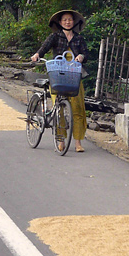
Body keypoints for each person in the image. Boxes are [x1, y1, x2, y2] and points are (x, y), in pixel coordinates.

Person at [30, 9, 90, 153]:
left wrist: (81, 57)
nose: (67, 22)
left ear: (74, 22)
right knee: (59, 109)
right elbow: (44, 48)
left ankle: (78, 142)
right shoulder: (55, 36)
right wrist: (37, 54)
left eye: (70, 19)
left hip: (75, 75)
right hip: (58, 74)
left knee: (78, 108)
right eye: (65, 20)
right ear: (60, 22)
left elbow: (86, 53)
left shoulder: (79, 38)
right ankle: (60, 140)